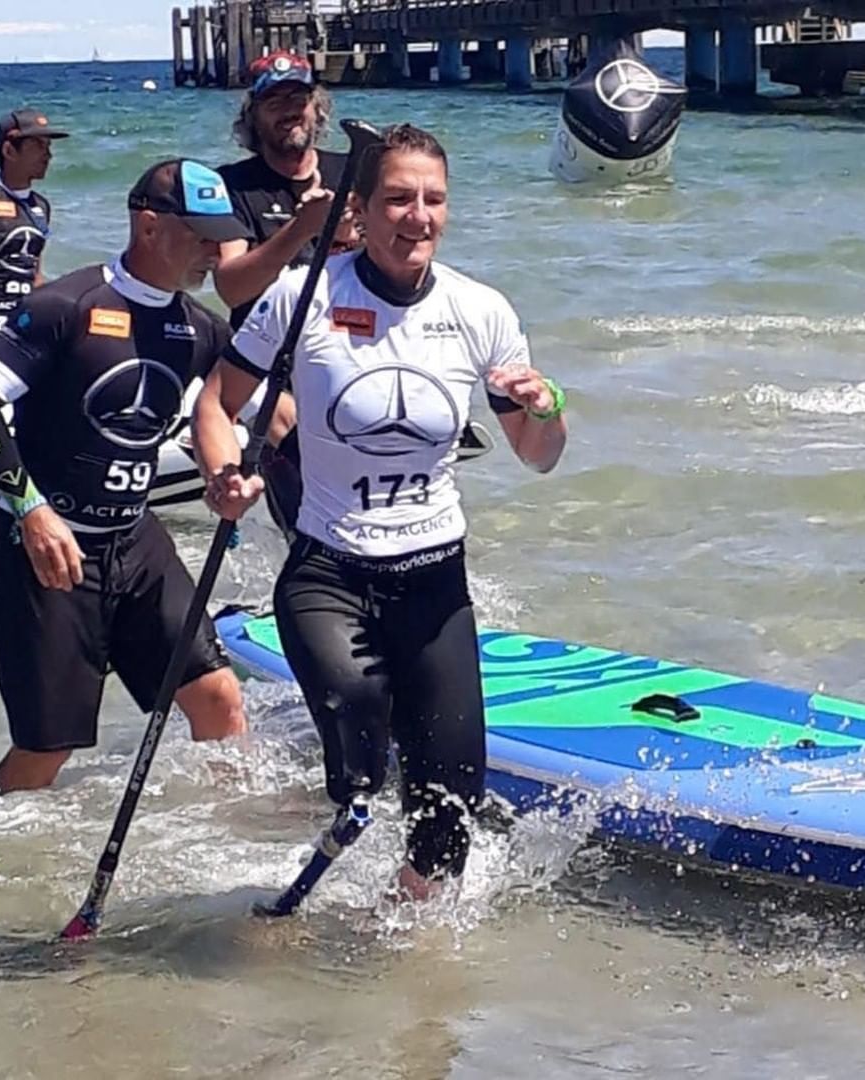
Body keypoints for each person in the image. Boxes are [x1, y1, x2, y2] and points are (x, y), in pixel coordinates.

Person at [193, 123, 568, 900]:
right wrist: (224, 471)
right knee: (361, 731)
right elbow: (217, 400)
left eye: (434, 200)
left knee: (450, 818)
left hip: (434, 584)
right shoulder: (303, 299)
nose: (418, 216)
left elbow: (539, 453)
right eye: (398, 198)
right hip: (328, 572)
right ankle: (346, 812)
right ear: (360, 210)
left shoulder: (480, 311)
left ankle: (403, 973)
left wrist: (546, 404)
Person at [0, 158, 250, 794]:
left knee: (218, 699)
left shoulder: (199, 329)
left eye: (220, 234)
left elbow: (254, 408)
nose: (213, 250)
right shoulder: (65, 306)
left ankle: (226, 848)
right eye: (200, 234)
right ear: (148, 227)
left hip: (137, 543)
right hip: (48, 549)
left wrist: (234, 471)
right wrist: (30, 509)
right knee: (45, 755)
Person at [216, 50, 361, 536]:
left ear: (317, 106)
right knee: (294, 446)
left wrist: (353, 240)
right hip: (266, 362)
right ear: (253, 115)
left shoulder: (356, 171)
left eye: (298, 97)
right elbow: (232, 285)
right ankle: (308, 562)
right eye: (273, 100)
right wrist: (301, 229)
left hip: (350, 350)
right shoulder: (233, 186)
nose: (289, 110)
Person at [0, 109, 70, 358]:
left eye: (49, 146)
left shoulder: (41, 207)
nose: (48, 155)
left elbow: (35, 274)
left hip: (18, 335)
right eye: (38, 146)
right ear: (9, 151)